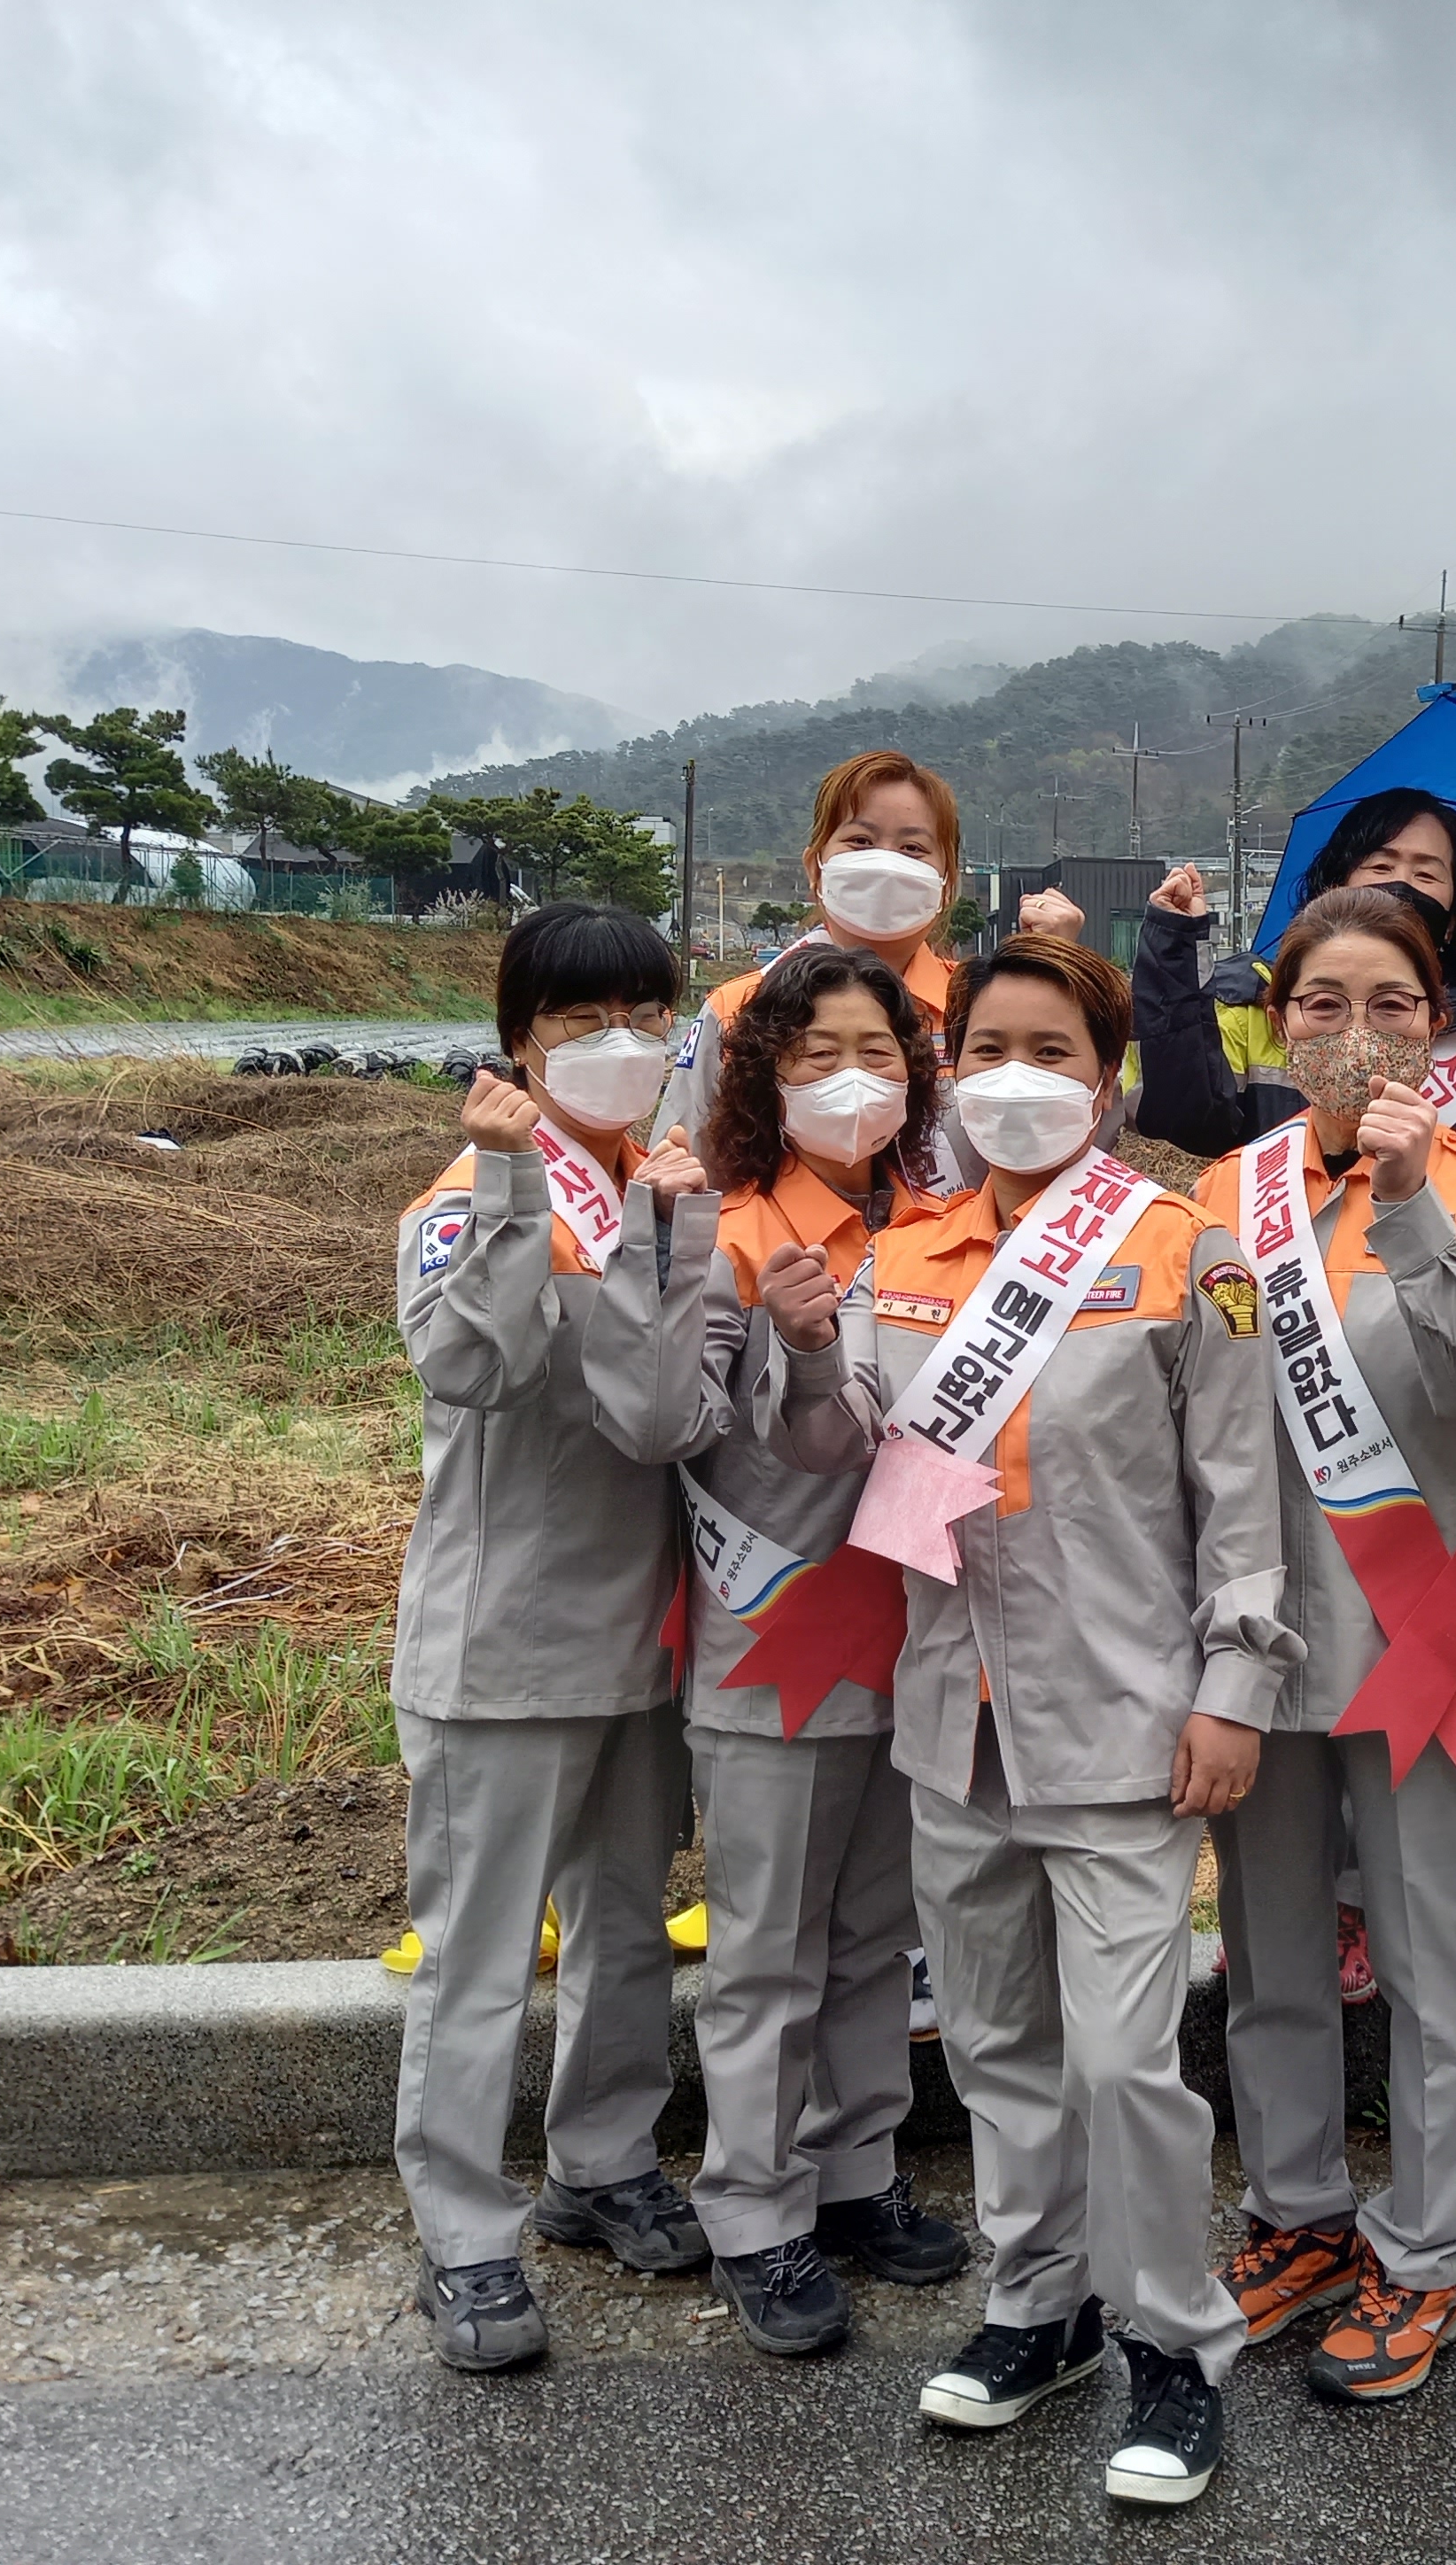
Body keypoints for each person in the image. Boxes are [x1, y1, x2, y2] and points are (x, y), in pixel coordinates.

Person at [765, 931, 1296, 2507]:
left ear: (1107, 1077)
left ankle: (1174, 2344)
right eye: (987, 1048)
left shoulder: (1183, 1249)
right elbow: (843, 1458)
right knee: (999, 2045)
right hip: (956, 1715)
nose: (1016, 1078)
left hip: (1125, 1720)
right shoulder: (905, 1256)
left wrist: (1236, 1689)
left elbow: (1241, 1498)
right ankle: (1037, 2305)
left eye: (1051, 1051)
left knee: (1125, 2064)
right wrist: (810, 1354)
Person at [1191, 887, 1456, 2405]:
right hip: (1262, 1638)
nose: (1356, 1033)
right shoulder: (1225, 1194)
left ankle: (1426, 2246)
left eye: (1391, 1004)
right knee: (1273, 1951)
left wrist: (1410, 1209)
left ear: (1440, 1024)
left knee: (1430, 1961)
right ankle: (1297, 2211)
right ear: (1280, 1025)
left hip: (1425, 1639)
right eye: (1323, 1004)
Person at [386, 902, 719, 2374]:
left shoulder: (660, 1185)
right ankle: (463, 2232)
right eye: (582, 1021)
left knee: (626, 1919)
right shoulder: (468, 1193)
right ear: (518, 1041)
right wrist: (519, 1181)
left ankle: (604, 2161)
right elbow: (475, 1363)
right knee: (477, 1955)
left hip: (647, 1634)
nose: (616, 1045)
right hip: (504, 1644)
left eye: (643, 1017)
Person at [634, 943, 972, 2363]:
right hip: (773, 1632)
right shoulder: (731, 1231)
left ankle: (855, 2172)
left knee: (874, 1939)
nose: (851, 1081)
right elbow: (687, 1425)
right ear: (762, 1075)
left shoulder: (949, 1231)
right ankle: (754, 2211)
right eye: (817, 1054)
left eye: (878, 1055)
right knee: (767, 1949)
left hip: (911, 1630)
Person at [656, 748, 1080, 1168]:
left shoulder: (980, 1004)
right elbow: (683, 1172)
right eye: (861, 841)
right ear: (815, 867)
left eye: (912, 848)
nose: (886, 863)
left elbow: (1069, 1135)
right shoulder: (738, 1008)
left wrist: (1061, 978)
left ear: (947, 883)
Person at [1131, 786, 1456, 1165]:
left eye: (1426, 874)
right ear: (1334, 888)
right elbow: (1178, 1114)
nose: (1401, 885)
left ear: (1452, 922)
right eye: (1380, 865)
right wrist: (1175, 947)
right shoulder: (1251, 1005)